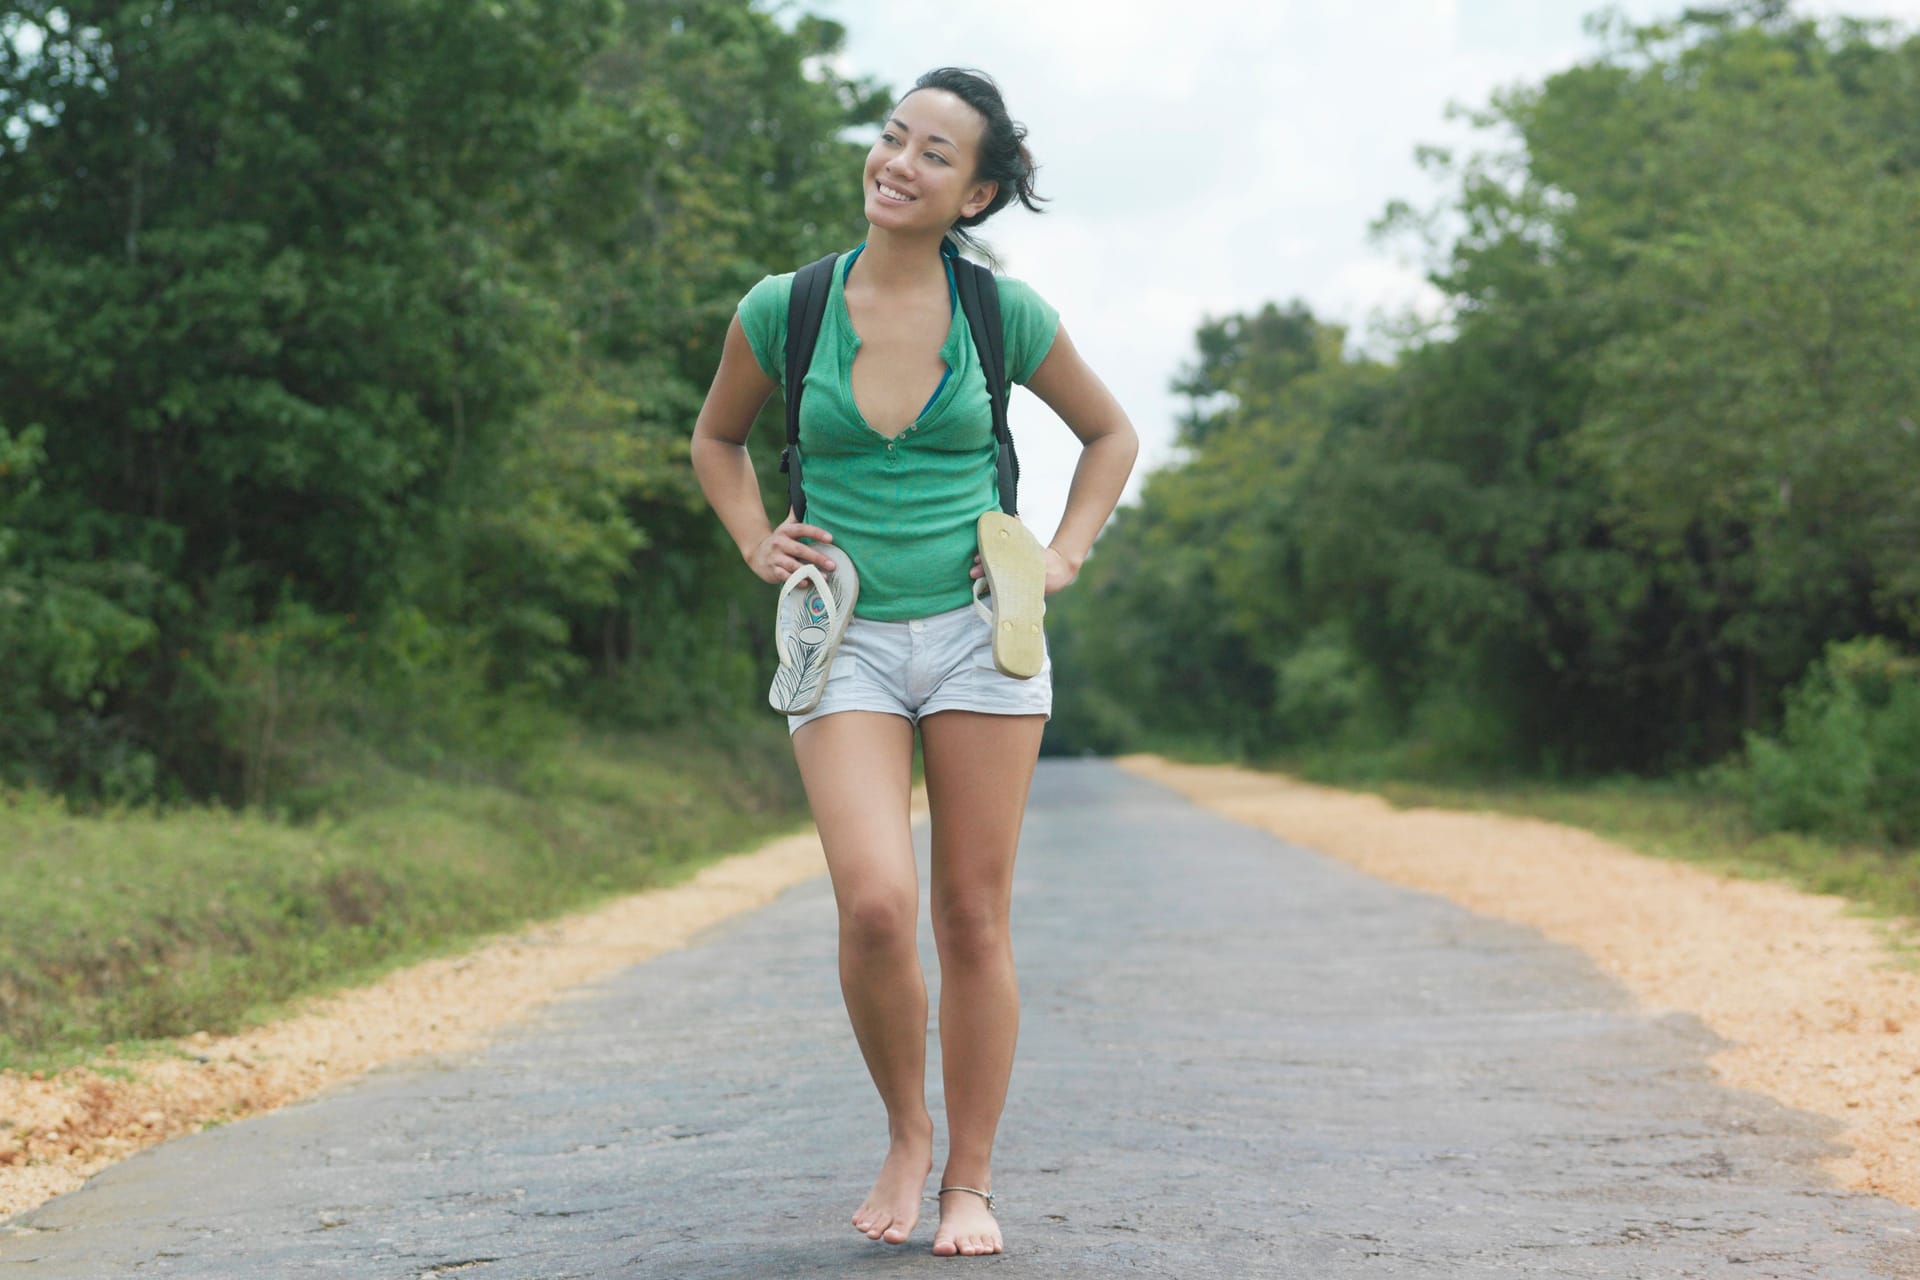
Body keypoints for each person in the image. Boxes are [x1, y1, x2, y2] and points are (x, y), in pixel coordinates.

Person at [690, 66, 1137, 1258]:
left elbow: (1110, 434)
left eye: (935, 153)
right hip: (841, 635)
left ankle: (970, 1181)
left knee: (971, 914)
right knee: (878, 901)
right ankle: (905, 1129)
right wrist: (753, 537)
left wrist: (1064, 555)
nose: (899, 161)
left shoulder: (1005, 313)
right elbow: (718, 438)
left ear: (976, 193)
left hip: (984, 636)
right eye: (894, 137)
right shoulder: (786, 305)